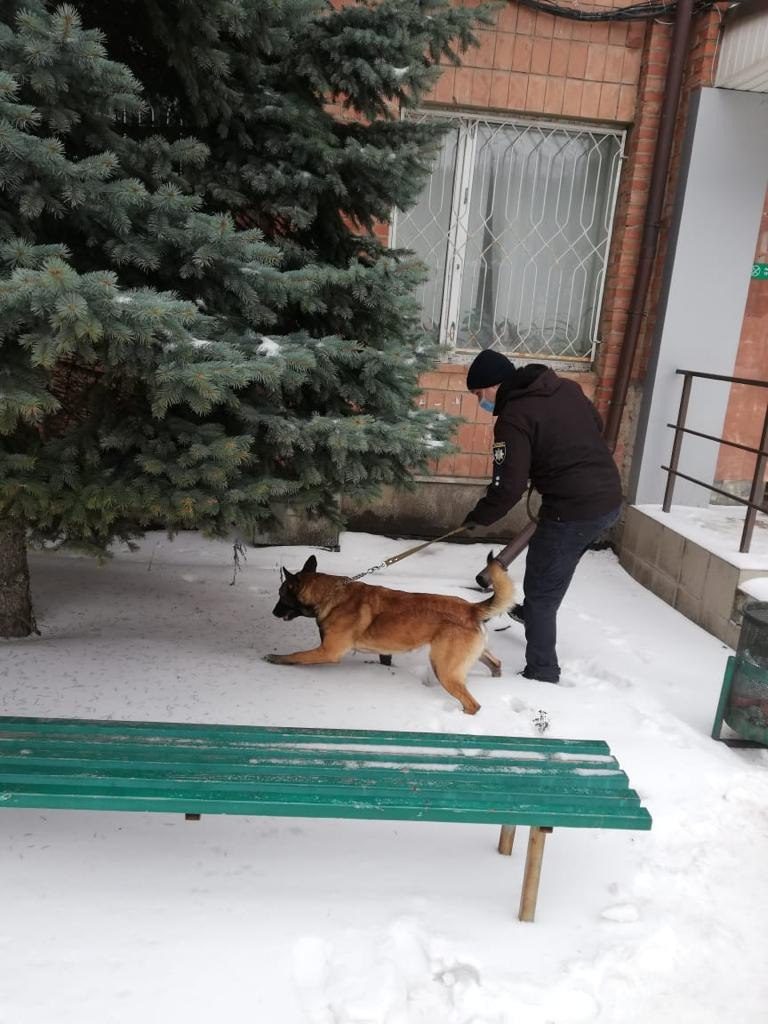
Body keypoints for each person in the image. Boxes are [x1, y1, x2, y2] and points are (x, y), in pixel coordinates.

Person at [461, 348, 623, 684]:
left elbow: (509, 486)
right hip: (608, 498)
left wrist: (477, 518)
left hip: (572, 510)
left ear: (494, 385)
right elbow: (596, 423)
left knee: (542, 589)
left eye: (479, 394)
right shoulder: (564, 387)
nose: (481, 402)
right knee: (552, 573)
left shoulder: (513, 418)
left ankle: (542, 670)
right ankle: (535, 615)